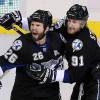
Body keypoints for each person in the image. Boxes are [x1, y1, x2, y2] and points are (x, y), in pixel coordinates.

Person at [24, 4, 100, 100]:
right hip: (83, 78)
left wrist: (49, 74)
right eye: (69, 20)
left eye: (74, 22)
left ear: (83, 23)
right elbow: (45, 27)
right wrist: (18, 22)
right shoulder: (65, 25)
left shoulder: (83, 43)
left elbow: (73, 75)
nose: (70, 24)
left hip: (95, 80)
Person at [0, 10, 66, 100]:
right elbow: (3, 63)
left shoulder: (58, 40)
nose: (34, 28)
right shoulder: (22, 45)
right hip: (25, 94)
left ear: (47, 28)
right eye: (32, 25)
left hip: (51, 94)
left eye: (38, 25)